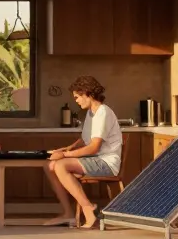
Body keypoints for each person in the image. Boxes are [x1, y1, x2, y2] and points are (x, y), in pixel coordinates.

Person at [43, 76, 123, 229]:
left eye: (77, 97)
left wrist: (65, 156)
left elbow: (94, 148)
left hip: (106, 162)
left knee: (61, 166)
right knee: (50, 166)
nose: (76, 101)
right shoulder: (91, 113)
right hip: (94, 159)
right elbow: (84, 139)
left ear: (88, 93)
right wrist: (66, 149)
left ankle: (89, 208)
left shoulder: (102, 112)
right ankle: (67, 213)